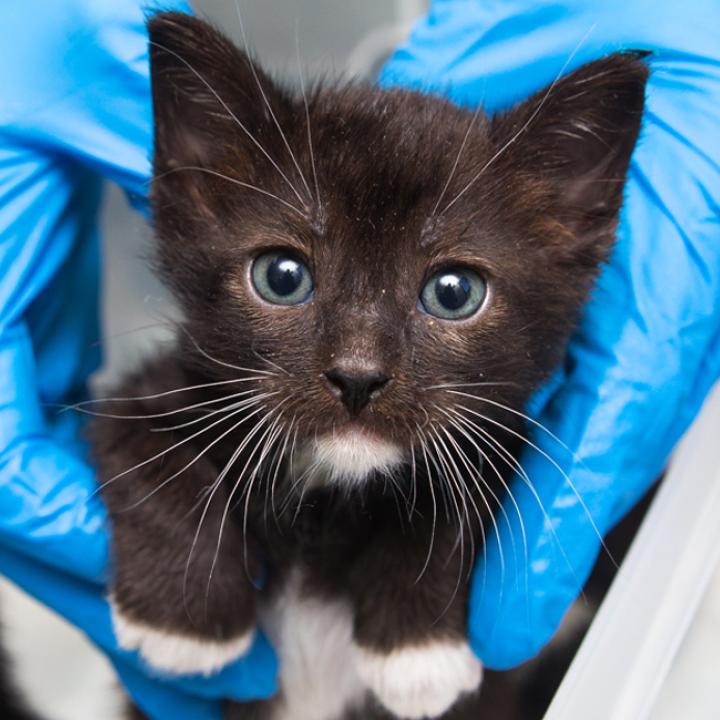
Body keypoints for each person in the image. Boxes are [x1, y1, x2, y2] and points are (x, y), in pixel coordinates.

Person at [0, 0, 718, 718]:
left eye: (451, 292)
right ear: (196, 209)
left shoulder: (499, 481)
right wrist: (170, 523)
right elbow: (136, 423)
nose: (358, 362)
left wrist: (434, 554)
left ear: (567, 236)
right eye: (285, 277)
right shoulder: (199, 422)